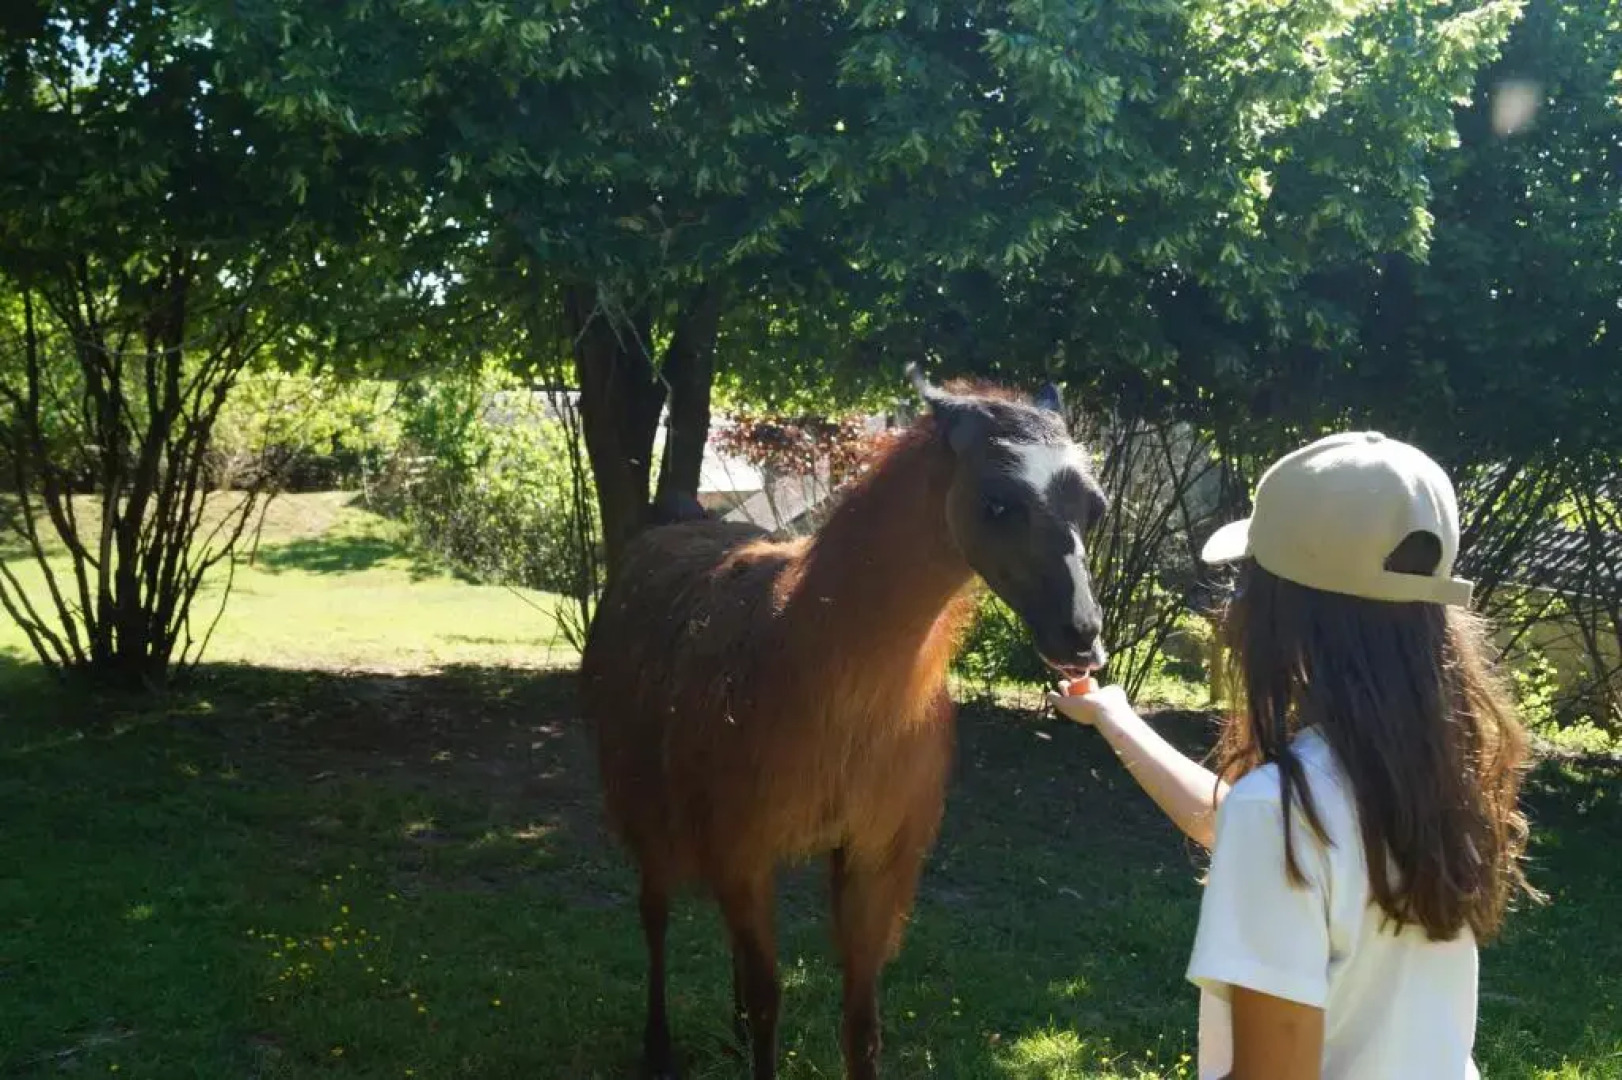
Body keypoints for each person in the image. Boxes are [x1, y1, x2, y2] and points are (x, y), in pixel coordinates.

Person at [1048, 432, 1540, 1080]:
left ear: (1286, 611)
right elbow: (1239, 824)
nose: (1232, 606)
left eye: (1246, 579)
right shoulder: (1431, 778)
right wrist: (1114, 716)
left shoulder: (1285, 814)